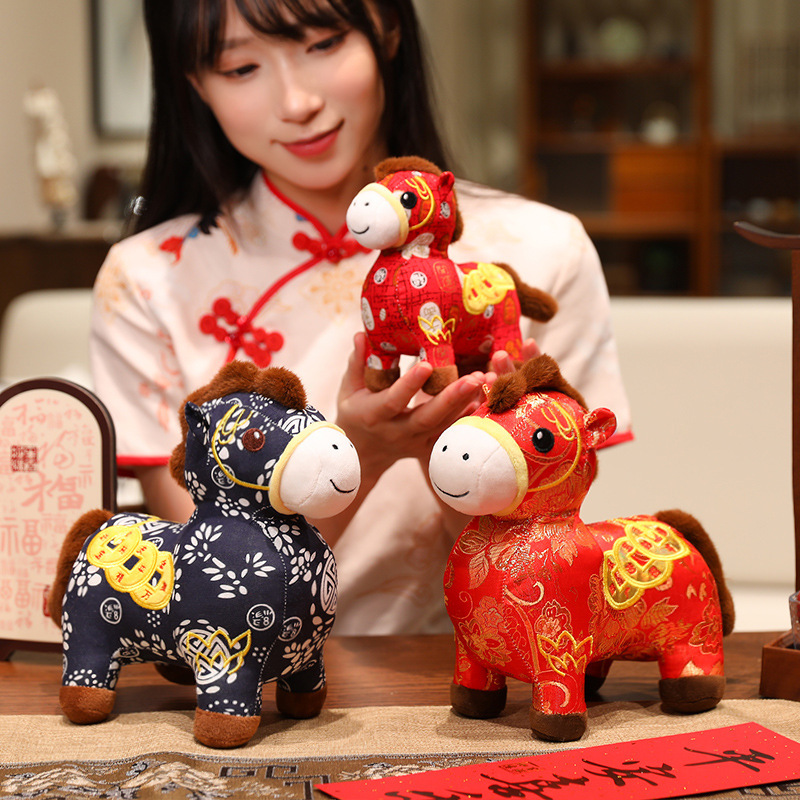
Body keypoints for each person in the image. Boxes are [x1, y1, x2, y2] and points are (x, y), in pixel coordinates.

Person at [90, 0, 631, 636]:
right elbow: (196, 594)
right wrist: (361, 457)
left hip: (480, 666)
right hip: (248, 675)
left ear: (389, 29)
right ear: (194, 83)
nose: (297, 103)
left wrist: (458, 450)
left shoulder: (542, 249)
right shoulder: (149, 278)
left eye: (322, 44)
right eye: (240, 68)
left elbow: (550, 562)